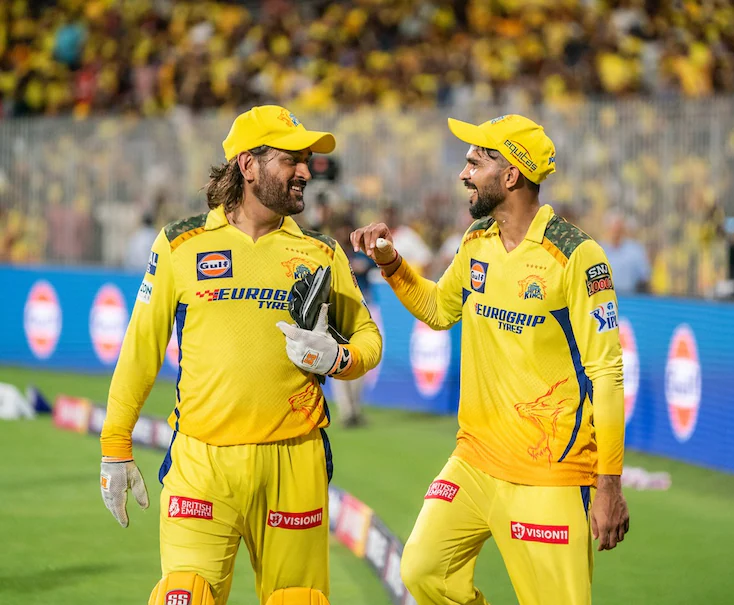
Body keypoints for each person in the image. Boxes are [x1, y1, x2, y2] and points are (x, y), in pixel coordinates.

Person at [99, 105, 382, 605]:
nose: (305, 171)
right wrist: (115, 444)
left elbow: (368, 339)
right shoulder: (180, 244)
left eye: (306, 160)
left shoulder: (322, 251)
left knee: (299, 600)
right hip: (202, 466)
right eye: (291, 159)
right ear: (248, 165)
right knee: (185, 595)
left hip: (295, 462)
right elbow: (141, 349)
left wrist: (337, 359)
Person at [351, 114, 629, 605]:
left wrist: (608, 485)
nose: (464, 174)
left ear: (511, 175)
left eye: (475, 162)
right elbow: (439, 310)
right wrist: (392, 264)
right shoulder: (476, 239)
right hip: (474, 460)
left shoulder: (577, 257)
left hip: (549, 473)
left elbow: (606, 374)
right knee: (422, 570)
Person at [329, 212, 374, 427]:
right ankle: (346, 411)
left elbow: (374, 264)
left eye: (346, 229)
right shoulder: (331, 252)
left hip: (362, 309)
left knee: (359, 360)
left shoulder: (359, 251)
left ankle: (355, 409)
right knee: (340, 359)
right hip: (339, 309)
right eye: (340, 229)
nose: (343, 233)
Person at [600, 211, 651, 294]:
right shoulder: (599, 250)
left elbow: (645, 276)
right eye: (613, 229)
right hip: (606, 296)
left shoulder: (635, 250)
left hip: (631, 296)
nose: (615, 233)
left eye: (618, 229)